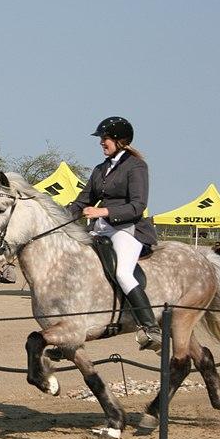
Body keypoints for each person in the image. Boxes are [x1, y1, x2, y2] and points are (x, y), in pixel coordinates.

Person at [68, 116, 161, 352]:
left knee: (123, 272)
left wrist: (104, 210)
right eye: (101, 138)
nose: (101, 142)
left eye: (105, 138)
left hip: (127, 228)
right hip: (101, 229)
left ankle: (150, 328)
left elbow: (138, 206)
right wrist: (58, 220)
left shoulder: (136, 166)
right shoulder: (100, 169)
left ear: (120, 140)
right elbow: (82, 201)